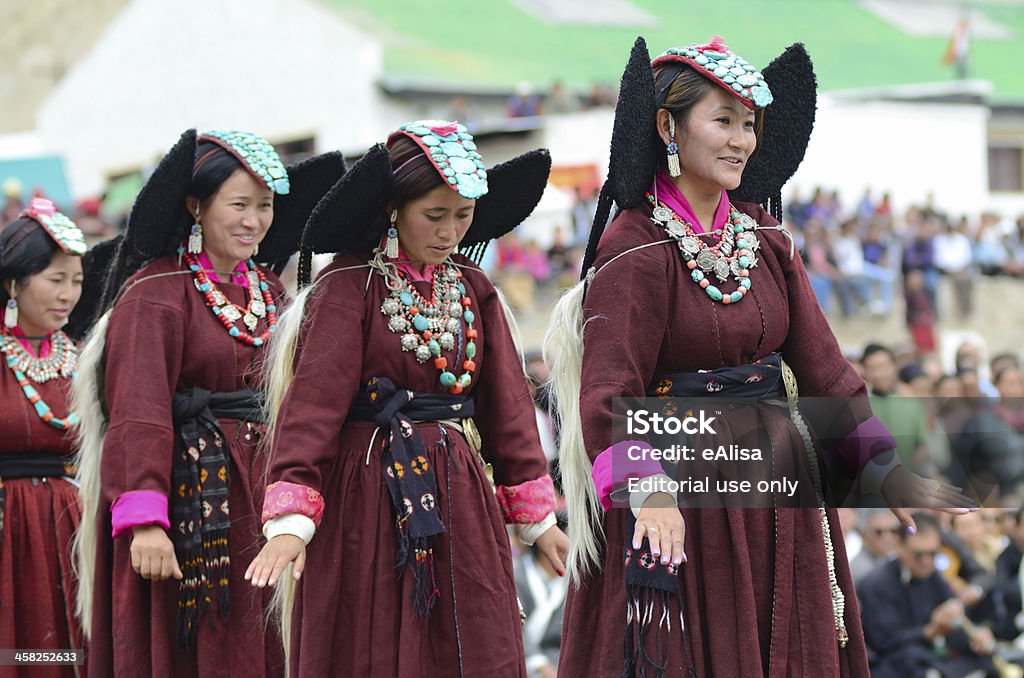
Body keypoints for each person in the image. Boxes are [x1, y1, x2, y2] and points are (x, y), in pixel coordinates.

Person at [545, 37, 973, 676]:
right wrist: (647, 493)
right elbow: (606, 396)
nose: (742, 141)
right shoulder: (633, 246)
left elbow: (825, 367)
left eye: (749, 124)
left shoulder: (767, 236)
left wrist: (879, 467)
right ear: (668, 126)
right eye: (723, 121)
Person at [244, 120, 567, 676]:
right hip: (368, 493)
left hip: (460, 491)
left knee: (470, 639)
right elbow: (312, 410)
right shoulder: (348, 285)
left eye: (462, 217)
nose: (449, 233)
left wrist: (538, 523)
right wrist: (289, 523)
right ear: (395, 208)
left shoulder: (474, 286)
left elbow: (509, 409)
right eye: (434, 216)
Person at [72, 129, 343, 676]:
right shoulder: (156, 291)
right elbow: (136, 410)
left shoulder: (271, 291)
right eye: (239, 204)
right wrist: (146, 519)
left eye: (264, 206)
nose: (254, 220)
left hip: (267, 492)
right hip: (188, 497)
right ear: (197, 206)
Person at [0, 198, 86, 675]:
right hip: (7, 524)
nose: (68, 295)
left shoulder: (85, 354)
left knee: (71, 647)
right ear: (14, 283)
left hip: (73, 524)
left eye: (76, 281)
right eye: (55, 280)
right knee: (17, 647)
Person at [858, 513, 998, 678]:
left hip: (931, 656)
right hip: (896, 664)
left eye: (932, 554)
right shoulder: (877, 584)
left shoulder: (933, 576)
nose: (926, 561)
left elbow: (956, 620)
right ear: (899, 546)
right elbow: (883, 642)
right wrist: (929, 632)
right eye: (918, 555)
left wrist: (975, 636)